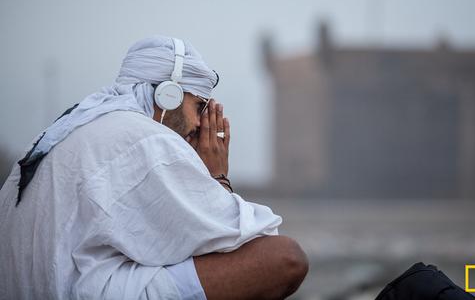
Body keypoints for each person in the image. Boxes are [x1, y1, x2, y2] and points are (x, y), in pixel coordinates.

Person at [0, 36, 308, 300]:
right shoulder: (149, 139)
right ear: (167, 95)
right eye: (199, 106)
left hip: (56, 284)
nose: (203, 123)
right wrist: (217, 177)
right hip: (79, 289)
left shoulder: (79, 128)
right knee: (283, 258)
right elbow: (251, 240)